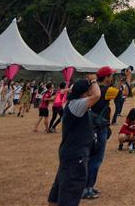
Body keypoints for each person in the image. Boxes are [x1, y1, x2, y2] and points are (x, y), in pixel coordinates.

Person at [47, 76, 101, 206]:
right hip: (76, 155)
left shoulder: (74, 104)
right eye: (89, 90)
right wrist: (93, 81)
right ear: (85, 92)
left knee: (59, 190)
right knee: (70, 192)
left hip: (70, 153)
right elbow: (97, 95)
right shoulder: (77, 105)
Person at [83, 66, 118, 201]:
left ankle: (87, 185)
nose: (112, 77)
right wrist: (127, 78)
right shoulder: (108, 90)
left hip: (90, 126)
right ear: (107, 77)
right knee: (96, 158)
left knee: (89, 157)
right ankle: (87, 188)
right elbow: (125, 92)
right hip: (100, 126)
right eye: (111, 75)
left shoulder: (93, 89)